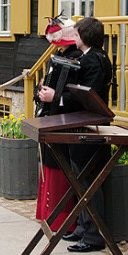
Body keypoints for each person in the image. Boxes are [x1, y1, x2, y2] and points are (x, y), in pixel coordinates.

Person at [38, 17, 112, 253]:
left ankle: (92, 236)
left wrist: (56, 98)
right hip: (80, 124)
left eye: (77, 34)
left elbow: (89, 96)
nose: (74, 37)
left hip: (88, 125)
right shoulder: (88, 58)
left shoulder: (94, 61)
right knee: (79, 180)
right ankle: (81, 228)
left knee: (87, 182)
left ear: (84, 37)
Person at [34, 15, 82, 233]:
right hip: (53, 117)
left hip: (63, 120)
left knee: (58, 166)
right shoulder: (59, 56)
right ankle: (47, 213)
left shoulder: (76, 59)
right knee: (50, 164)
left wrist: (54, 97)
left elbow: (71, 93)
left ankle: (61, 219)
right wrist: (42, 91)